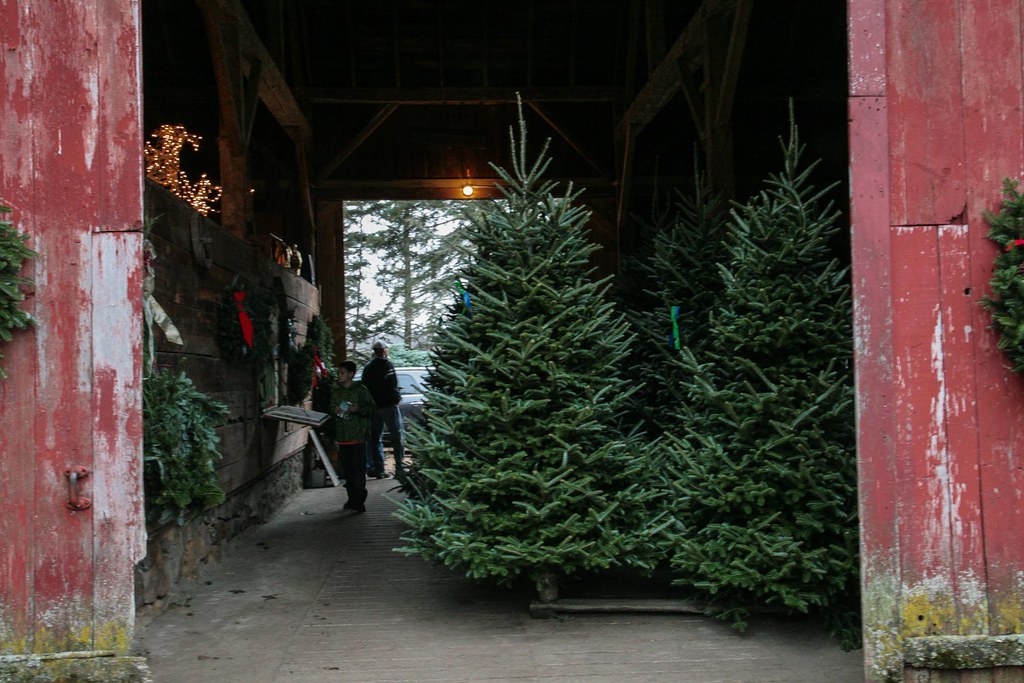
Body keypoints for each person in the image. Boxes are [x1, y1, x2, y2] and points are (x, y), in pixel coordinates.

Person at [330, 360, 376, 513]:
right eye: (339, 373)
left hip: (357, 436)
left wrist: (358, 409)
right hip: (343, 437)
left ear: (351, 374)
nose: (340, 376)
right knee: (348, 471)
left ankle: (359, 499)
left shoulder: (361, 390)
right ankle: (351, 498)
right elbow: (333, 409)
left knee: (358, 470)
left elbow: (371, 408)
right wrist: (340, 411)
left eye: (342, 373)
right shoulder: (337, 392)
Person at [361, 340, 406, 478]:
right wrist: (396, 398)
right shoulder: (387, 365)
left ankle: (378, 469)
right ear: (384, 350)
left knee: (375, 438)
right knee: (397, 436)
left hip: (374, 407)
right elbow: (393, 385)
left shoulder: (367, 368)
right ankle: (399, 468)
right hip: (388, 406)